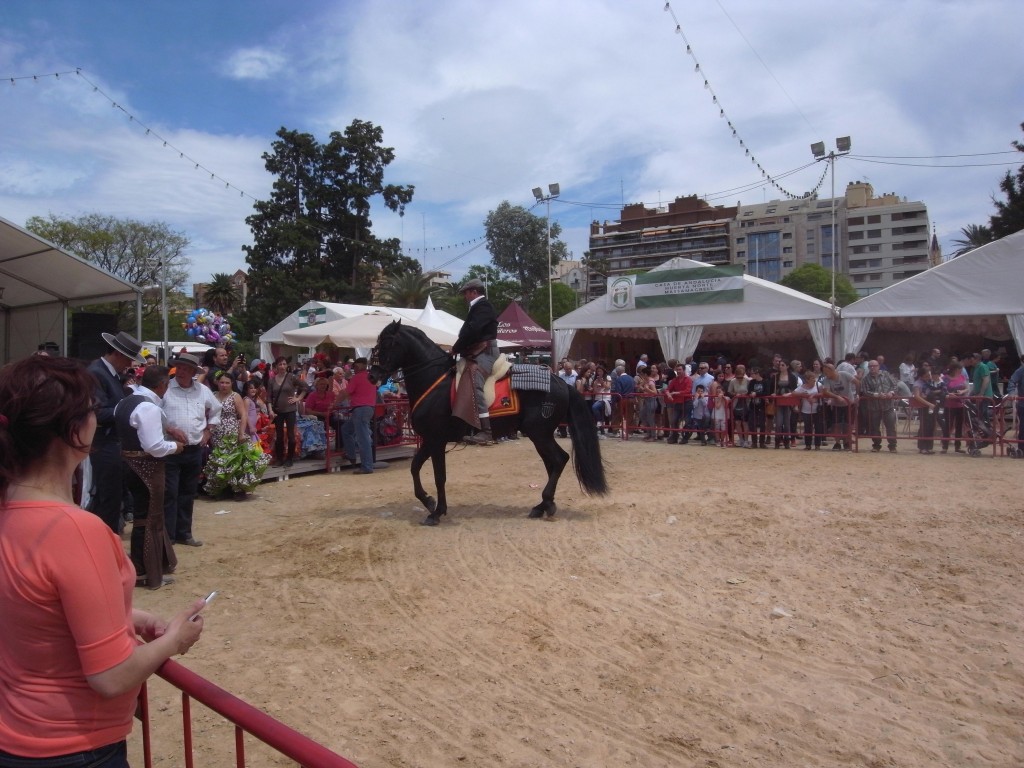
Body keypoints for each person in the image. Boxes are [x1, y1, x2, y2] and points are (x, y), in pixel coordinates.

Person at [0, 355, 205, 764]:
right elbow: (111, 677)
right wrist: (172, 641)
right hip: (74, 745)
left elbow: (38, 610)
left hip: (19, 736)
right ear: (75, 429)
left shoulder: (12, 512)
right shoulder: (76, 531)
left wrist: (132, 616)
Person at [115, 365, 184, 590]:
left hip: (128, 465)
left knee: (145, 517)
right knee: (149, 518)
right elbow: (154, 446)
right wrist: (175, 447)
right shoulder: (148, 407)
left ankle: (147, 566)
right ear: (162, 385)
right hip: (146, 469)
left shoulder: (124, 402)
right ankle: (146, 570)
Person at [86, 330, 145, 534]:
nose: (130, 365)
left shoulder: (109, 373)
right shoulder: (97, 373)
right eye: (129, 359)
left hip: (114, 443)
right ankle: (104, 539)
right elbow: (98, 412)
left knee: (113, 495)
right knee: (108, 496)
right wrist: (129, 410)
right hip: (104, 444)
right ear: (118, 354)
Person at [162, 353, 221, 547]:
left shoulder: (202, 391)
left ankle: (184, 533)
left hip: (194, 448)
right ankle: (168, 535)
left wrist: (208, 432)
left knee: (188, 492)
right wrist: (169, 428)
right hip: (171, 448)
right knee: (170, 493)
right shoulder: (166, 388)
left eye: (185, 369)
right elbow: (153, 412)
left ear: (193, 372)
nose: (181, 372)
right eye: (179, 368)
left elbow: (216, 409)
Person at [451, 278, 499, 444]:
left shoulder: (483, 306)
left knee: (473, 379)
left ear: (474, 292)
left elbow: (472, 330)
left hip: (486, 352)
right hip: (476, 351)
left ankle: (486, 431)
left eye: (466, 293)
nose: (465, 296)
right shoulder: (477, 308)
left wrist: (456, 347)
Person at [339, 358, 377, 474]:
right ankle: (351, 455)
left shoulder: (357, 378)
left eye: (355, 366)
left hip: (360, 409)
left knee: (363, 438)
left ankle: (367, 466)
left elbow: (346, 393)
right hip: (368, 408)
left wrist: (334, 404)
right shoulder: (371, 377)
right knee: (346, 429)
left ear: (360, 366)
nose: (353, 368)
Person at [267, 356, 306, 468]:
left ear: (287, 365)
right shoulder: (271, 380)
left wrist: (298, 398)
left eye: (284, 364)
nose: (282, 366)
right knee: (279, 436)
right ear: (276, 366)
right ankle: (280, 458)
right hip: (278, 411)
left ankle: (290, 458)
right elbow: (269, 397)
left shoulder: (291, 377)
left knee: (291, 435)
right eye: (280, 364)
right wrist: (270, 409)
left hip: (290, 410)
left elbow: (305, 387)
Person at [860, 359, 900, 452]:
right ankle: (876, 445)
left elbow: (895, 385)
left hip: (888, 406)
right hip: (874, 407)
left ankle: (892, 446)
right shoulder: (866, 379)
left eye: (875, 366)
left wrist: (891, 392)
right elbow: (865, 391)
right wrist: (877, 395)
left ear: (879, 366)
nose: (872, 368)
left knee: (890, 427)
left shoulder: (886, 374)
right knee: (875, 428)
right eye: (870, 366)